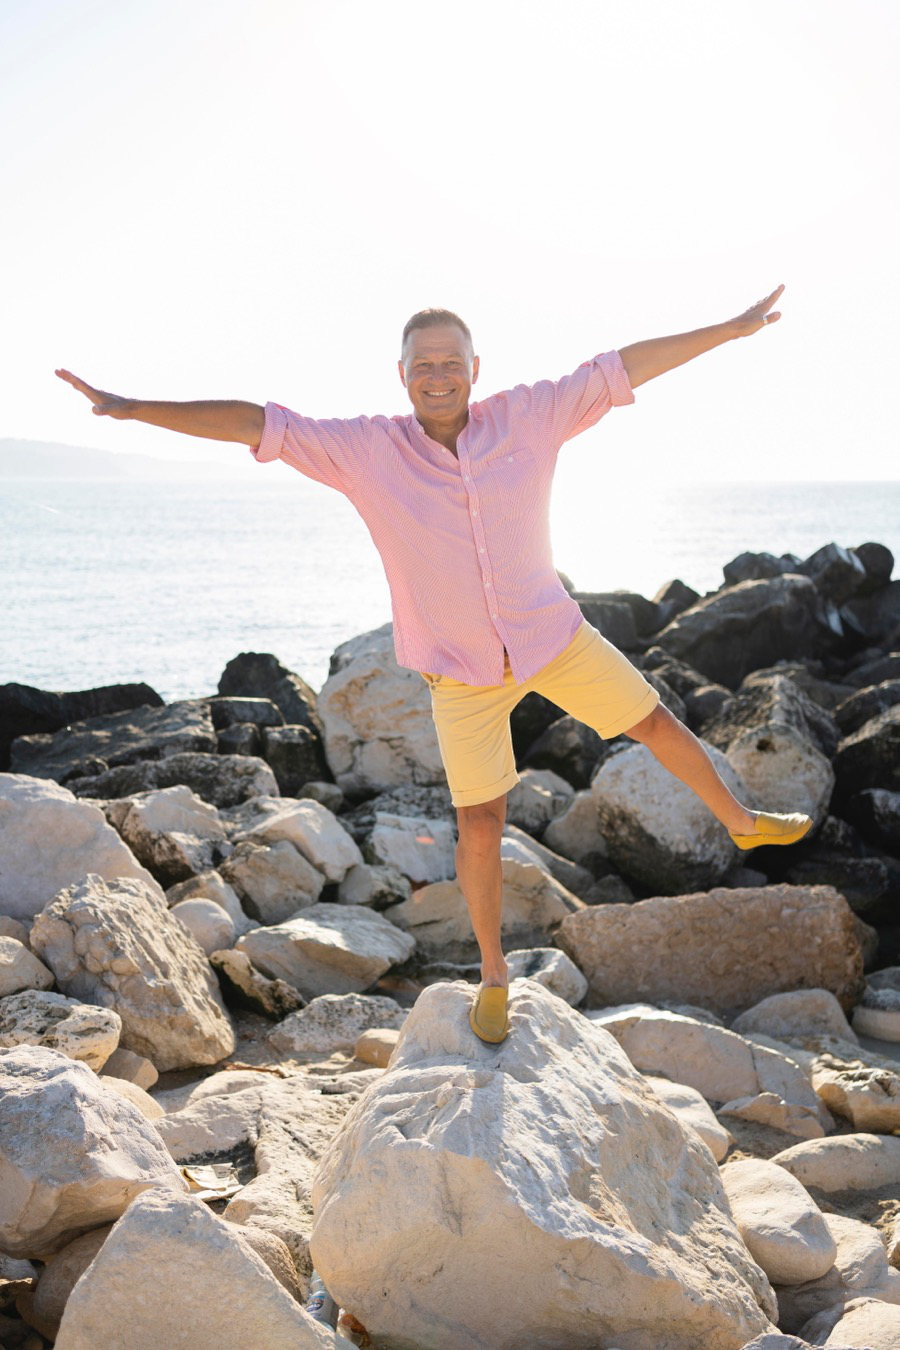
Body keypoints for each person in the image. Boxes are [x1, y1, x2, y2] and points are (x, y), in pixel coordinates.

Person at [56, 283, 812, 1045]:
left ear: (476, 367)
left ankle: (740, 822)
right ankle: (492, 976)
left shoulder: (531, 413)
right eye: (425, 363)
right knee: (480, 822)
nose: (439, 373)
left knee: (651, 718)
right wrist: (130, 406)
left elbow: (622, 368)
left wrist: (732, 328)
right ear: (403, 373)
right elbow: (259, 421)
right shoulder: (365, 451)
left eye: (452, 360)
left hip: (552, 635)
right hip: (462, 672)